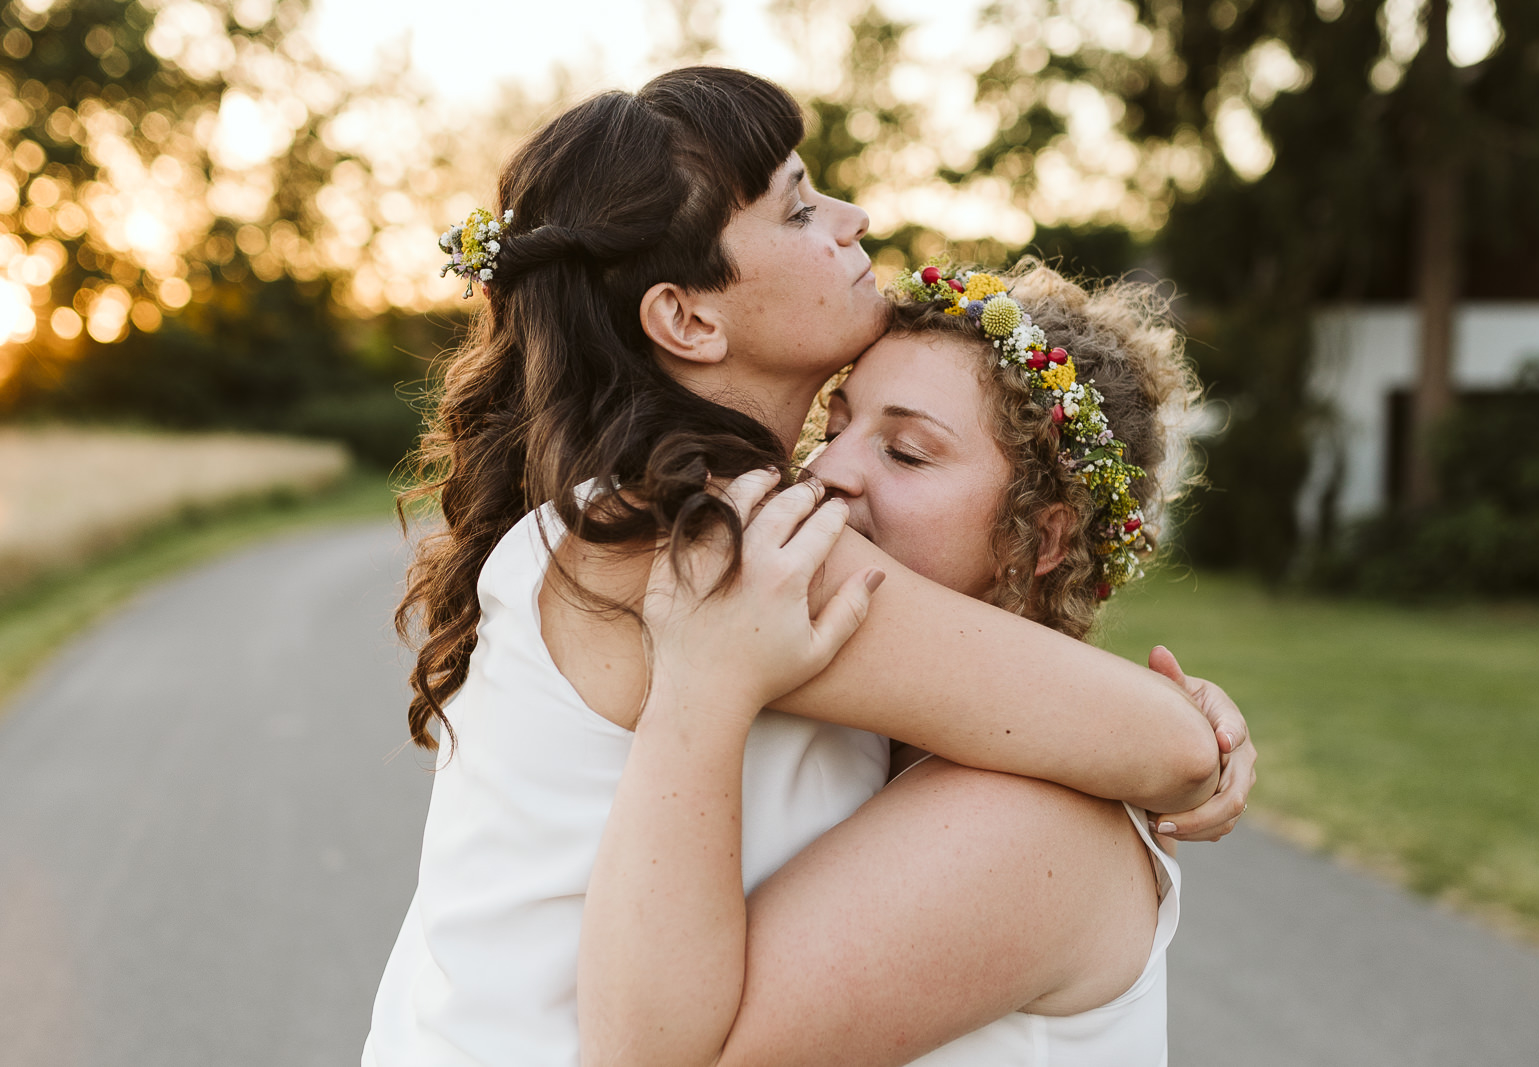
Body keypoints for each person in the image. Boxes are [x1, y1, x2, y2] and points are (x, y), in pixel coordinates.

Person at [364, 67, 1253, 1067]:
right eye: (798, 208)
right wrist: (1198, 733)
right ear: (689, 319)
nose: (851, 215)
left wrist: (1179, 729)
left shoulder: (656, 516)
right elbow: (1163, 745)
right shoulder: (712, 543)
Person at [579, 261, 1218, 1066]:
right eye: (834, 426)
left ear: (1043, 538)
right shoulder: (857, 736)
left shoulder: (1027, 819)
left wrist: (699, 689)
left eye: (908, 453)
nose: (826, 471)